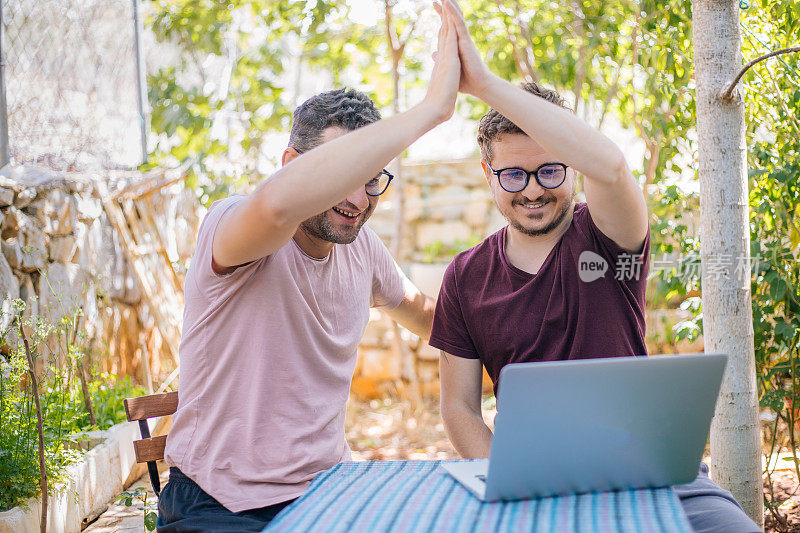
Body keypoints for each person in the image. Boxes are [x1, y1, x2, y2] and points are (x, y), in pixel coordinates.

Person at [428, 1, 761, 531]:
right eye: (513, 175)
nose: (533, 189)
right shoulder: (466, 276)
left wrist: (484, 82)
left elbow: (609, 166)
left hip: (658, 475)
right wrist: (513, 484)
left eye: (550, 170)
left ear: (572, 166)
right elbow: (460, 410)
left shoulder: (610, 236)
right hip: (533, 485)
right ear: (487, 172)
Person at [156, 5, 462, 531]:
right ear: (291, 165)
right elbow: (276, 209)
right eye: (338, 173)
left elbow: (428, 316)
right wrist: (432, 109)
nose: (358, 197)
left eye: (372, 178)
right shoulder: (236, 224)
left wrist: (517, 346)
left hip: (326, 495)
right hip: (218, 503)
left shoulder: (361, 249)